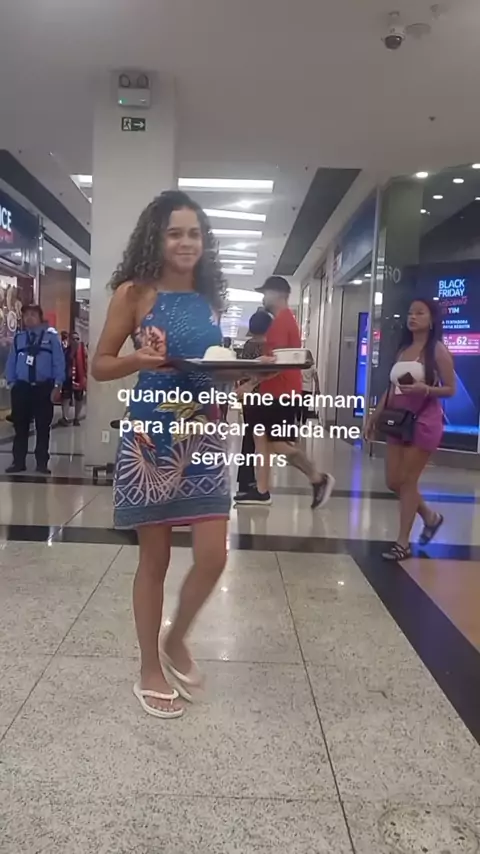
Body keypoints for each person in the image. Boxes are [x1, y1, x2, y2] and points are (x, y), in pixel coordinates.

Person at [91, 190, 230, 720]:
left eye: (194, 233)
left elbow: (208, 362)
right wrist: (137, 360)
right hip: (153, 439)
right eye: (175, 233)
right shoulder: (134, 293)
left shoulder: (210, 295)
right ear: (156, 237)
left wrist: (236, 376)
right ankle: (150, 666)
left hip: (205, 435)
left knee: (214, 555)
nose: (186, 242)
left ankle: (176, 639)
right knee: (156, 559)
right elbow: (101, 363)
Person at [364, 298, 455, 561]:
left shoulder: (437, 350)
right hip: (398, 420)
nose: (412, 317)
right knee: (394, 481)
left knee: (408, 481)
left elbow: (450, 389)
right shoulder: (403, 349)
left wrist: (426, 389)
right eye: (410, 313)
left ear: (432, 319)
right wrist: (374, 416)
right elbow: (392, 388)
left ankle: (402, 543)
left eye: (420, 313)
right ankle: (430, 516)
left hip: (424, 421)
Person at [235, 276, 335, 508]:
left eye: (266, 292)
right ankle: (262, 491)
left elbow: (279, 364)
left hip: (281, 393)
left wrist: (250, 383)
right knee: (261, 440)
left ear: (278, 294)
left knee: (278, 444)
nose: (263, 297)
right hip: (271, 392)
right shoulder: (281, 320)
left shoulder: (282, 321)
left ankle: (318, 478)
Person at [5, 304, 65, 474]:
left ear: (40, 317)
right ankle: (18, 462)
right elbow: (11, 361)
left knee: (43, 427)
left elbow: (59, 362)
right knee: (20, 426)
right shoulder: (19, 339)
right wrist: (12, 383)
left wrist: (58, 385)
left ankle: (42, 463)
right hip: (22, 388)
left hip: (43, 388)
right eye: (26, 315)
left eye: (33, 314)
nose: (29, 318)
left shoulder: (51, 338)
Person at [234, 308, 272, 500]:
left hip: (249, 398)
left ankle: (245, 479)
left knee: (248, 438)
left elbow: (243, 371)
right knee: (260, 441)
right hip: (264, 396)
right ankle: (254, 481)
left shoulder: (248, 346)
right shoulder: (269, 348)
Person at [59, 331, 88, 425]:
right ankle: (65, 417)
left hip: (79, 377)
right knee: (66, 397)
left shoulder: (83, 352)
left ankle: (77, 418)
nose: (76, 341)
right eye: (73, 339)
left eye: (77, 339)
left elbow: (86, 363)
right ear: (70, 340)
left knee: (79, 398)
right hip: (68, 378)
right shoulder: (66, 351)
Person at [298, 350, 320, 425]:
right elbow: (316, 379)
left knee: (299, 405)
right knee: (305, 407)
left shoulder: (300, 366)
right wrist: (317, 389)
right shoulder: (313, 367)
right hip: (308, 390)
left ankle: (298, 421)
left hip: (300, 388)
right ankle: (304, 423)